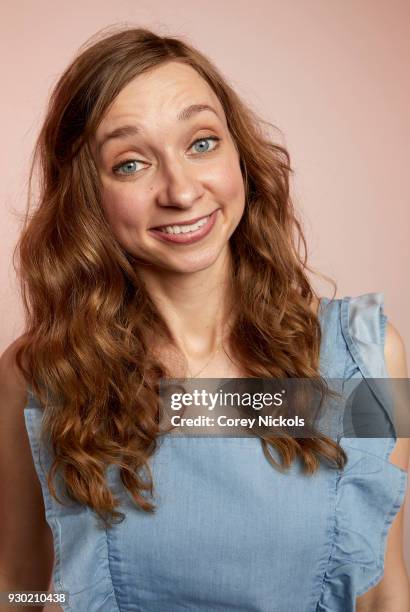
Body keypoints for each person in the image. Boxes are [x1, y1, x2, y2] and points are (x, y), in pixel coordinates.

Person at [0, 27, 409, 612]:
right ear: (86, 193)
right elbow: (17, 582)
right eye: (131, 163)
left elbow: (383, 591)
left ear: (239, 153)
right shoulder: (35, 377)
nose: (182, 190)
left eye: (201, 143)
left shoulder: (365, 358)